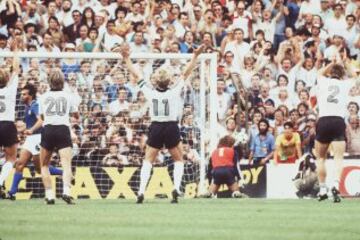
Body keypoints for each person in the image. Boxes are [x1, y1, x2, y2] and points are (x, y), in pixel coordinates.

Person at [121, 43, 205, 204]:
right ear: (168, 81)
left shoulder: (149, 92)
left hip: (156, 126)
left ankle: (141, 191)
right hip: (171, 126)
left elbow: (136, 74)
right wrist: (195, 56)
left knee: (148, 160)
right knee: (179, 159)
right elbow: (186, 73)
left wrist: (126, 58)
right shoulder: (174, 91)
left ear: (156, 81)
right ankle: (176, 188)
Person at [4, 84, 63, 200]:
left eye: (24, 94)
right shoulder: (28, 107)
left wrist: (31, 130)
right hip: (31, 139)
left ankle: (64, 173)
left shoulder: (35, 105)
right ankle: (12, 193)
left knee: (40, 168)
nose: (22, 96)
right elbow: (31, 124)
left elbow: (42, 120)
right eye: (21, 94)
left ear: (30, 95)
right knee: (20, 164)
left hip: (38, 138)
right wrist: (21, 129)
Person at [315, 62, 357, 203]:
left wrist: (331, 63)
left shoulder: (323, 80)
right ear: (342, 74)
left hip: (323, 120)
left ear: (330, 73)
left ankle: (322, 189)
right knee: (338, 158)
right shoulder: (345, 84)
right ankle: (335, 185)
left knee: (321, 158)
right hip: (338, 121)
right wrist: (346, 62)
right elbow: (355, 75)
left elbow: (319, 72)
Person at [38, 68, 79, 205]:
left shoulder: (42, 97)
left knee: (44, 164)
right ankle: (66, 192)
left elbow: (42, 117)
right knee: (66, 164)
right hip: (63, 129)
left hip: (48, 129)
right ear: (63, 81)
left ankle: (50, 195)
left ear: (49, 82)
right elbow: (76, 115)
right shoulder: (69, 96)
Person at [0, 41, 19, 198]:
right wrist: (16, 50)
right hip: (7, 124)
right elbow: (16, 69)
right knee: (11, 158)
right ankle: (0, 182)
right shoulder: (11, 88)